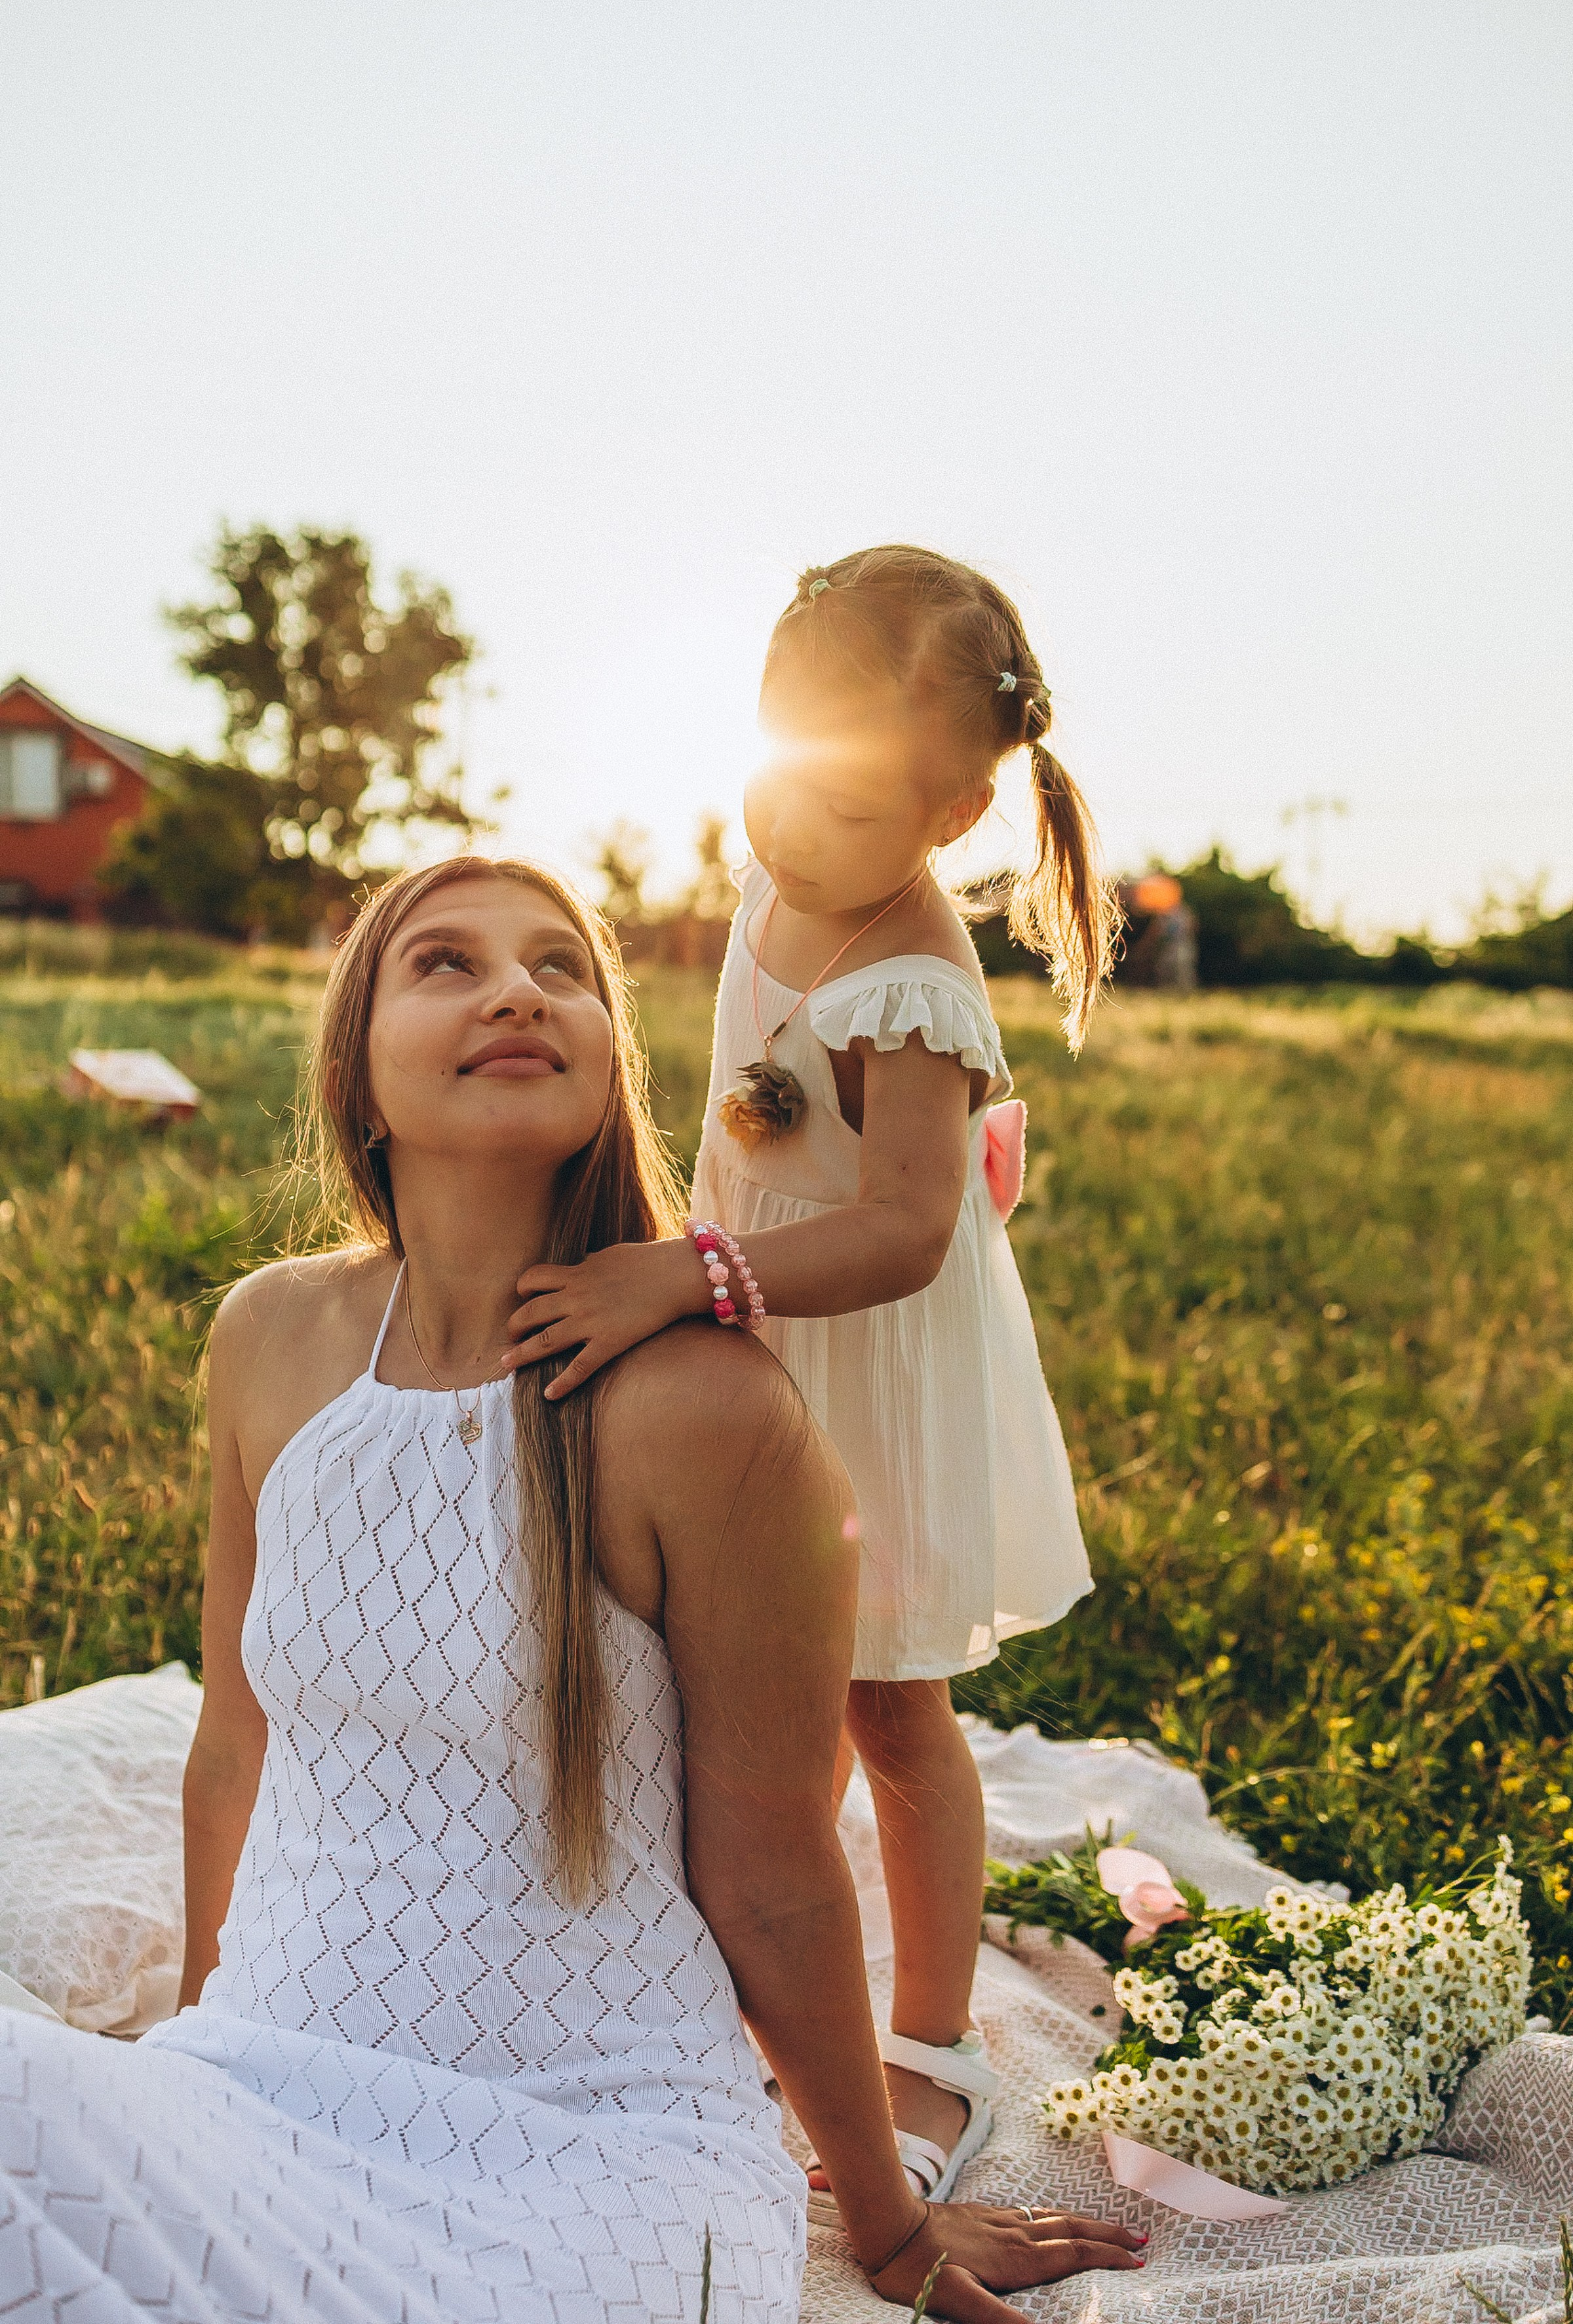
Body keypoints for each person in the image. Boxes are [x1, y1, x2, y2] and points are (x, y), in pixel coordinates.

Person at [0, 855, 1142, 2321]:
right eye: (446, 964)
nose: (515, 991)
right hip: (260, 2083)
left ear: (611, 1070)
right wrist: (196, 2059)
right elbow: (236, 1746)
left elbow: (777, 1877)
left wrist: (888, 2226)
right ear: (356, 1073)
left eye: (560, 969)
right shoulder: (270, 1338)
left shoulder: (704, 1411)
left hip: (587, 2157)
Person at [504, 547, 1117, 2222]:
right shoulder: (783, 879)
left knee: (890, 1708)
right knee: (763, 1693)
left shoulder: (913, 978)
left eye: (850, 815)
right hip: (757, 1334)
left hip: (868, 1371)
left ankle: (928, 2040)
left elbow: (911, 1228)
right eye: (784, 777)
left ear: (950, 819)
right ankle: (773, 1981)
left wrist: (697, 1275)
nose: (791, 832)